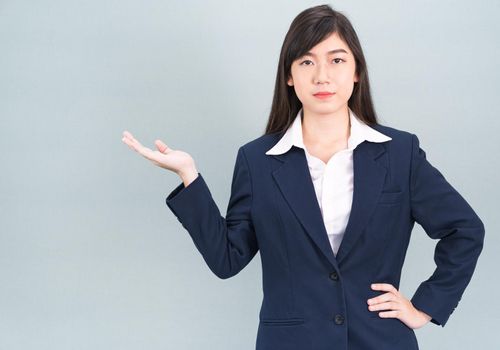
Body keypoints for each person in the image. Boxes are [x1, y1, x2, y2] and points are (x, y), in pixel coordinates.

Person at [121, 4, 485, 350]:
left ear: (356, 71)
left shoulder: (398, 153)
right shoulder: (258, 161)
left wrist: (424, 307)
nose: (322, 75)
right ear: (290, 77)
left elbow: (465, 229)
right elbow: (227, 259)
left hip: (379, 341)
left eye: (337, 60)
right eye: (306, 61)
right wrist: (189, 176)